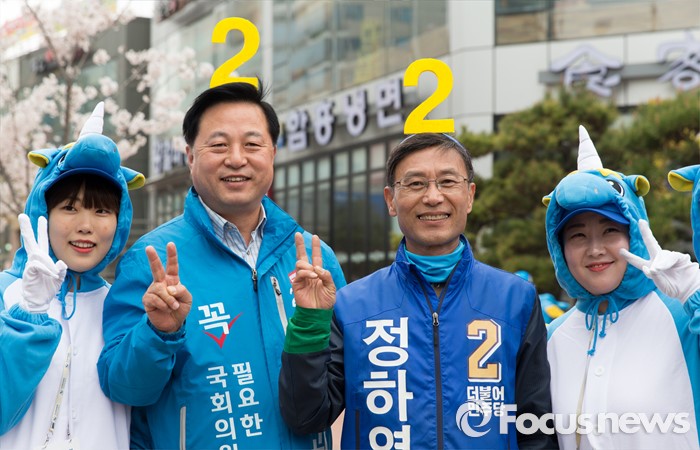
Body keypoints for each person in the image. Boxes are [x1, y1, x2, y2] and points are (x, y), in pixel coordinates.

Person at [97, 81, 347, 449]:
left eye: (252, 144)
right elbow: (124, 388)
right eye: (218, 145)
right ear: (190, 157)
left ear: (273, 154)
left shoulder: (314, 260)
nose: (236, 159)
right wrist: (158, 333)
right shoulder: (152, 261)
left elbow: (341, 380)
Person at [280, 133, 558, 449]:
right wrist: (309, 321)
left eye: (448, 182)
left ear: (469, 196)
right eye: (415, 184)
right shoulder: (351, 305)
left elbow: (536, 426)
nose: (433, 197)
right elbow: (306, 417)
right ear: (390, 200)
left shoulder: (515, 299)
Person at [543, 125, 700, 449]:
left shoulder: (683, 318)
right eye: (578, 235)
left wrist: (696, 294)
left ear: (636, 234)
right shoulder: (552, 337)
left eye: (611, 230)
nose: (595, 249)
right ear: (560, 249)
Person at [0, 102, 144, 449]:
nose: (85, 226)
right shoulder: (6, 293)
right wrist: (30, 314)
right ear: (43, 211)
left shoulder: (122, 304)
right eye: (69, 207)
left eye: (102, 210)